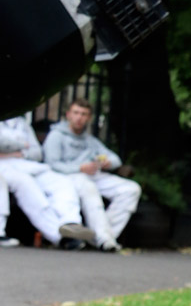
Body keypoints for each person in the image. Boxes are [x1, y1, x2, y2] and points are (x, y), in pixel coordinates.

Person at [42, 99, 141, 252]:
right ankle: (105, 239)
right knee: (89, 189)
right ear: (68, 115)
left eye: (84, 114)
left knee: (131, 189)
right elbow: (52, 164)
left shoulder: (90, 140)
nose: (79, 117)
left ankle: (103, 237)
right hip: (70, 177)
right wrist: (80, 167)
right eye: (76, 113)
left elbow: (115, 159)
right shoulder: (57, 136)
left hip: (94, 174)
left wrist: (108, 163)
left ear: (89, 118)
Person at [0, 113, 95, 247]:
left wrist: (18, 152)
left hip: (28, 164)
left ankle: (71, 223)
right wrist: (21, 145)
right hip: (4, 167)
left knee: (61, 181)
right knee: (28, 188)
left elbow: (37, 152)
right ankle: (59, 236)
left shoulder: (22, 123)